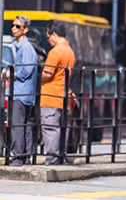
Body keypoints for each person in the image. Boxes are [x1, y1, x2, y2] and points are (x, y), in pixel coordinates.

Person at [40, 21, 76, 165]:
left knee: (50, 128)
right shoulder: (69, 51)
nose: (48, 41)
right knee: (61, 129)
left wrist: (37, 76)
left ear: (54, 35)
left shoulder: (55, 52)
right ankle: (60, 156)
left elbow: (48, 74)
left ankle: (52, 159)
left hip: (51, 95)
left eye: (48, 37)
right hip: (63, 95)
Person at [5, 16, 38, 166]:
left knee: (18, 125)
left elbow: (27, 69)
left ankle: (17, 157)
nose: (14, 28)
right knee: (24, 125)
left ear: (25, 29)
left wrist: (12, 74)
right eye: (13, 25)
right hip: (23, 92)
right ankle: (24, 156)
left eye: (18, 26)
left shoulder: (25, 47)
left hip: (21, 93)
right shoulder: (22, 46)